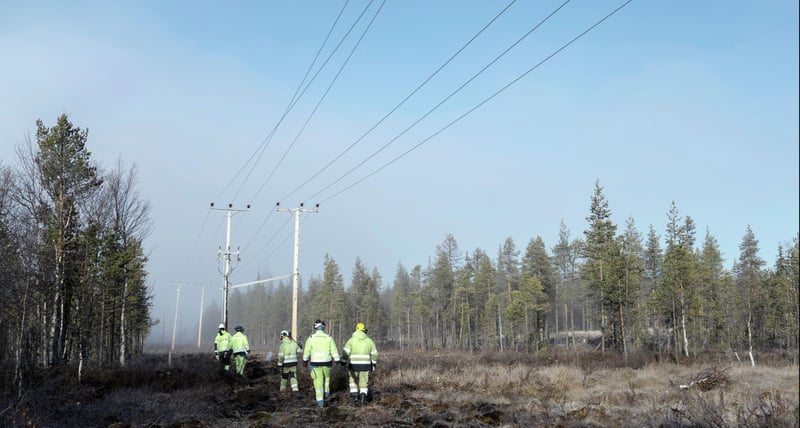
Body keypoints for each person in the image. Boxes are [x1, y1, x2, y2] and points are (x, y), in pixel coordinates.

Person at [302, 319, 340, 407]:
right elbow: (334, 350)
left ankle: (320, 404)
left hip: (315, 364)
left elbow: (307, 351)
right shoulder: (329, 338)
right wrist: (337, 360)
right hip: (327, 363)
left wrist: (304, 361)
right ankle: (326, 395)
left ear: (315, 327)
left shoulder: (311, 338)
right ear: (323, 328)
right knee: (326, 379)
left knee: (318, 383)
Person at [341, 322, 379, 405]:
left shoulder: (351, 340)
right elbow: (375, 354)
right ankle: (362, 398)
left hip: (353, 365)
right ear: (364, 330)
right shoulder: (369, 341)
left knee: (353, 381)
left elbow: (345, 353)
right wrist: (374, 363)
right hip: (365, 366)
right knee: (363, 382)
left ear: (356, 330)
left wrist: (343, 362)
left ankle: (355, 398)